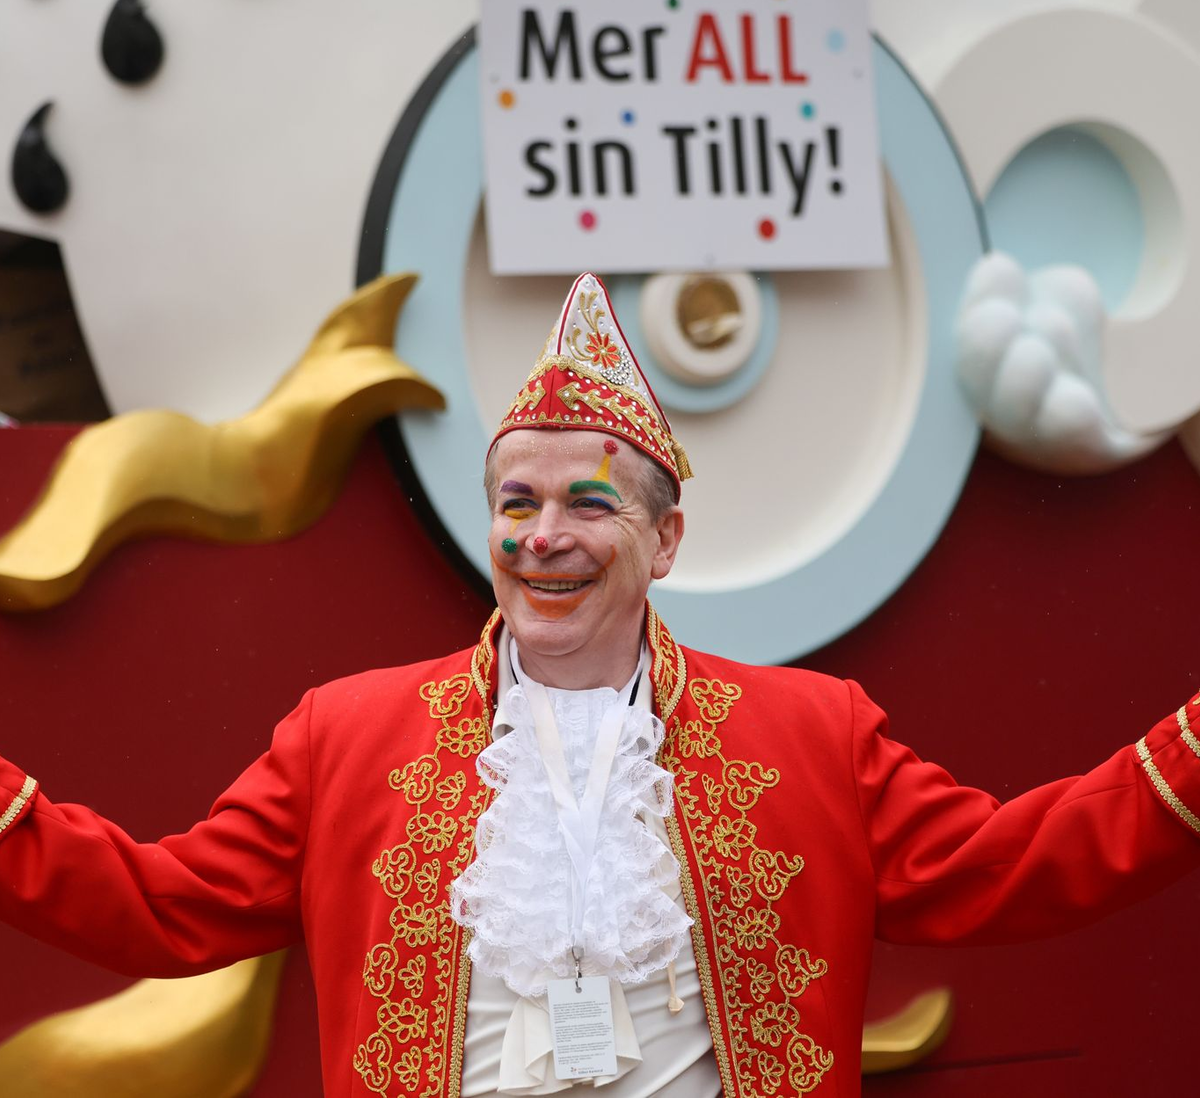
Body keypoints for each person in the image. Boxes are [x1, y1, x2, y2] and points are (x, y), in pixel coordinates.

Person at [1, 272, 1199, 1098]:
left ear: (665, 540)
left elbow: (1019, 865)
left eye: (589, 502)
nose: (542, 536)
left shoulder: (809, 732)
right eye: (515, 503)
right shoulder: (347, 734)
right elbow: (160, 905)